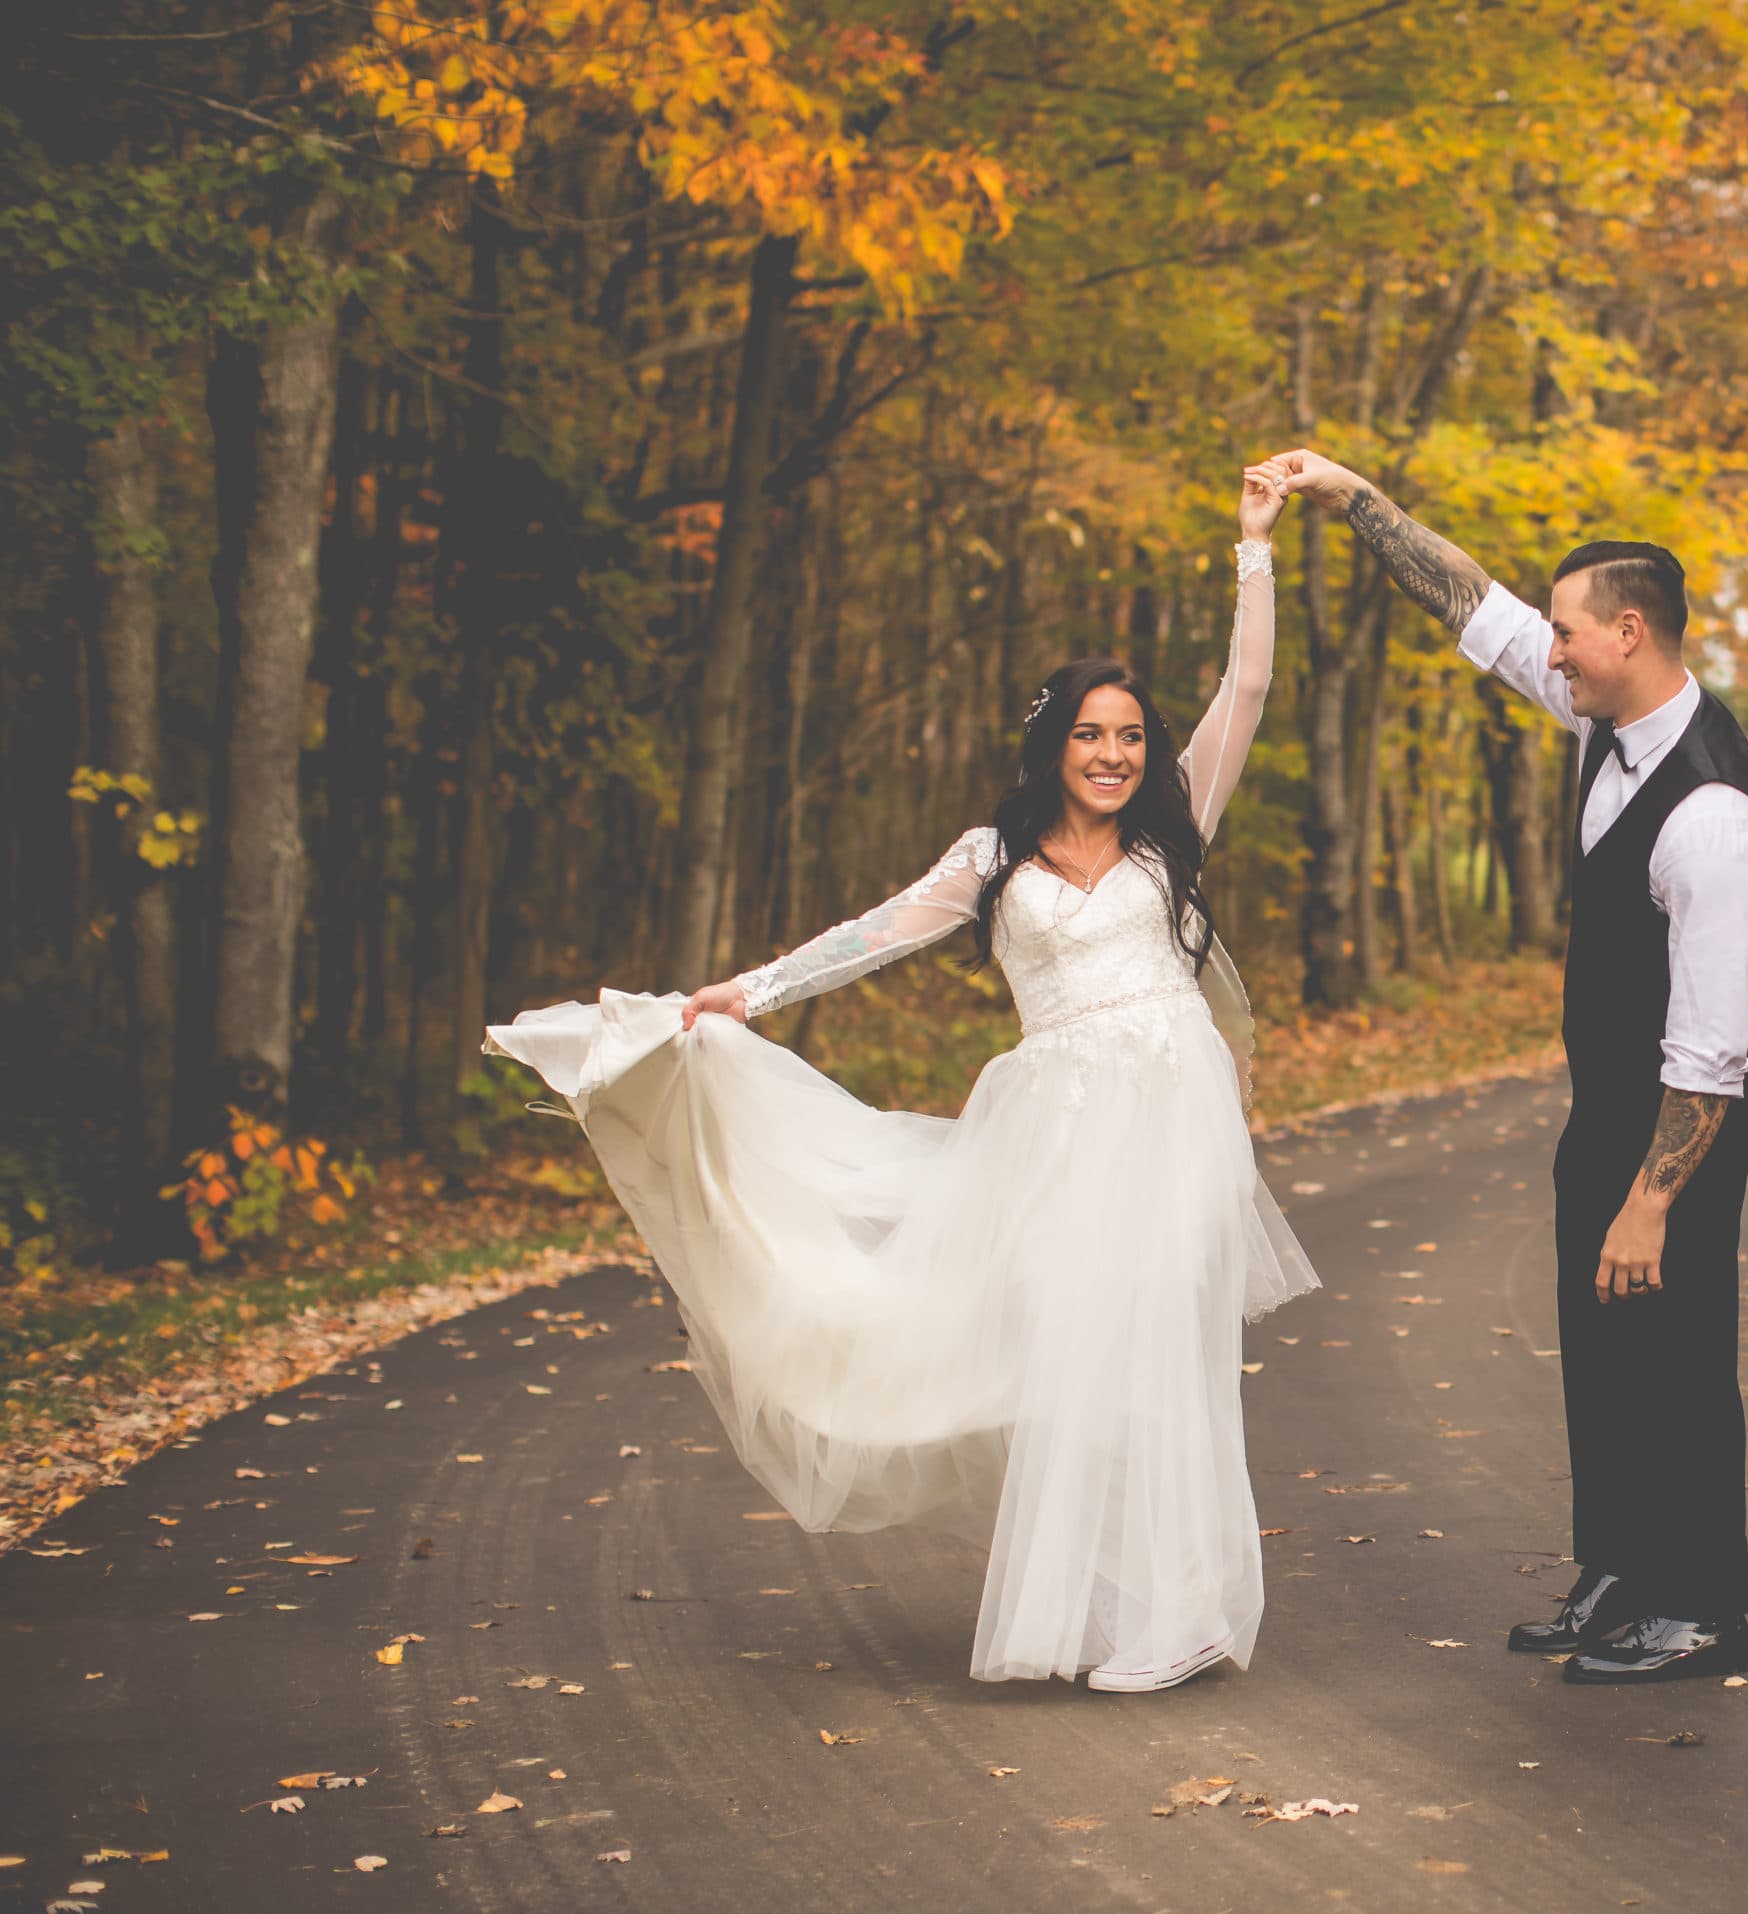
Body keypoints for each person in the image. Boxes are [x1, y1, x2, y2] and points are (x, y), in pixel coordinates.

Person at [483, 472, 1316, 1692]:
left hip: (1175, 1112)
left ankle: (1189, 1610)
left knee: (1163, 1346)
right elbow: (876, 931)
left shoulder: (1170, 823)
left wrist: (1254, 550)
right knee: (1068, 1362)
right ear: (1053, 743)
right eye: (1091, 733)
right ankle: (1107, 1601)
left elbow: (1246, 688)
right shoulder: (991, 857)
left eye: (1130, 734)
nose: (1114, 754)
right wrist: (748, 994)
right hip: (1058, 1123)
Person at [1251, 448, 1748, 1684]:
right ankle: (1617, 1570)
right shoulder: (1606, 719)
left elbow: (1709, 1055)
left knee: (1675, 1340)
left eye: (1566, 632)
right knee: (1598, 1337)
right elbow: (1469, 603)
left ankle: (1700, 1604)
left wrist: (1651, 1199)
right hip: (1611, 1095)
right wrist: (1349, 497)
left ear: (1630, 632)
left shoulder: (1712, 817)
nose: (1546, 651)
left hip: (1684, 1108)